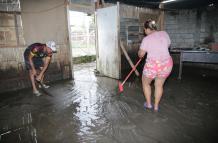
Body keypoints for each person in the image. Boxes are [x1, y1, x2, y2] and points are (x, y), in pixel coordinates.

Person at [138, 19, 173, 112]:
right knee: (159, 85)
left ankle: (149, 104)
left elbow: (141, 55)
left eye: (144, 30)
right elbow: (168, 45)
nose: (144, 32)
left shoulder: (146, 39)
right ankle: (156, 106)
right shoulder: (165, 33)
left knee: (146, 83)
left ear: (147, 29)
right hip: (166, 64)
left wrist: (140, 51)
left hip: (153, 65)